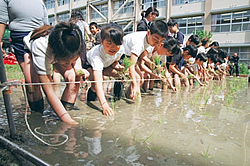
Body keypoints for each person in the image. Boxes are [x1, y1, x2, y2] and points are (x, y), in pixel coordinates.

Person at [23, 21, 89, 124]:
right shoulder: (41, 47)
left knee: (73, 77)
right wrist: (68, 120)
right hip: (30, 51)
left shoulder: (73, 41)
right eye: (68, 62)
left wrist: (79, 69)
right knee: (32, 84)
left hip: (61, 53)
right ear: (56, 56)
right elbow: (48, 90)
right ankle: (37, 118)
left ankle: (63, 113)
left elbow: (75, 58)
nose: (70, 64)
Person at [0, 0, 48, 111]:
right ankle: (37, 114)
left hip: (39, 35)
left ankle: (42, 111)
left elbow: (45, 20)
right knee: (31, 79)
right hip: (20, 35)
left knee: (40, 78)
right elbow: (2, 20)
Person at [84, 23, 125, 116]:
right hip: (89, 65)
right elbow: (99, 82)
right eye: (109, 42)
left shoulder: (121, 49)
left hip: (105, 66)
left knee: (119, 74)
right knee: (95, 84)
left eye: (117, 43)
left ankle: (117, 97)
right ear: (101, 41)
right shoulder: (97, 56)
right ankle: (90, 103)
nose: (113, 47)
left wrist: (116, 65)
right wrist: (104, 105)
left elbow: (116, 59)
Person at [123, 20, 169, 101]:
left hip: (129, 55)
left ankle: (129, 94)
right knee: (137, 78)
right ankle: (135, 99)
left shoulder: (148, 39)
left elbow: (142, 55)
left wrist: (153, 66)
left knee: (140, 77)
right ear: (148, 33)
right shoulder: (139, 42)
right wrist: (134, 84)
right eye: (156, 39)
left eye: (161, 41)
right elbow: (131, 65)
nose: (157, 43)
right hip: (121, 55)